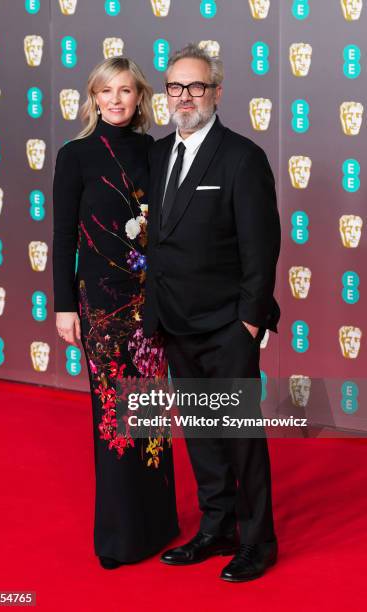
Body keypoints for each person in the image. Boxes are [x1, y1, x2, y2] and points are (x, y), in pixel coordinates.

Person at [143, 44, 281, 582]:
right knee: (201, 433)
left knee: (241, 436)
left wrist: (248, 323)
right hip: (174, 322)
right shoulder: (157, 155)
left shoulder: (242, 157)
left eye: (196, 87)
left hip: (227, 325)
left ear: (216, 93)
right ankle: (217, 526)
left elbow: (261, 248)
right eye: (176, 87)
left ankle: (259, 539)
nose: (184, 97)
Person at [52, 57, 179, 570]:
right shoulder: (76, 155)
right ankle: (120, 536)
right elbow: (63, 237)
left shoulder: (155, 151)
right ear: (94, 98)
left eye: (126, 91)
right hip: (101, 305)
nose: (116, 100)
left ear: (140, 97)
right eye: (107, 92)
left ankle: (159, 524)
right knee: (114, 417)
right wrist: (64, 305)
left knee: (148, 408)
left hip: (150, 298)